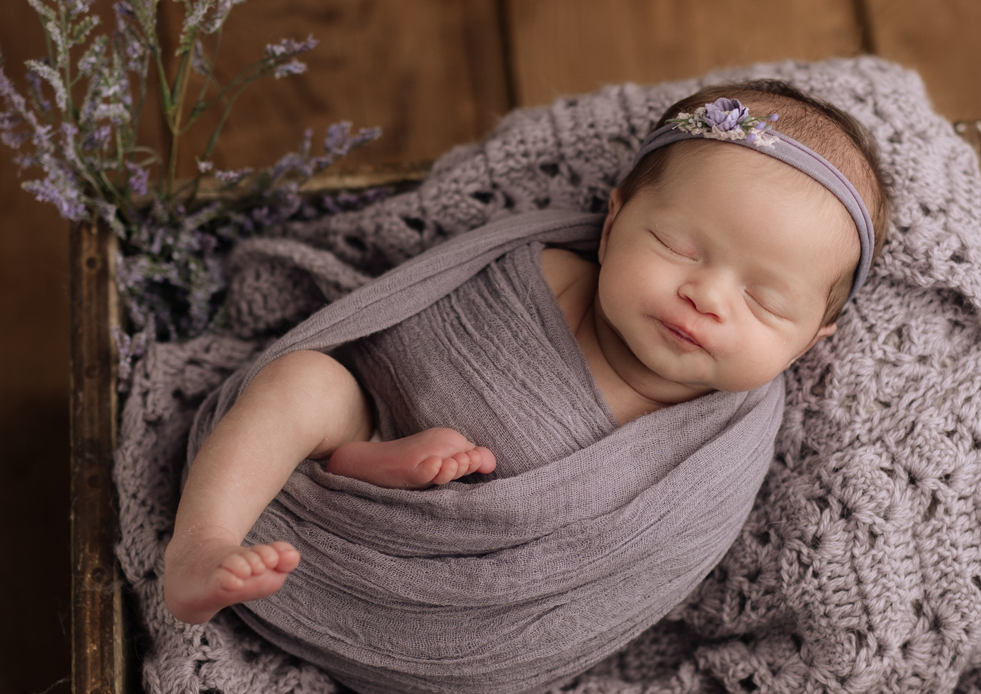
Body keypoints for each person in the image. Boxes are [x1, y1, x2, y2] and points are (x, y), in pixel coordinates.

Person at [162, 79, 889, 625]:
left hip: (456, 611)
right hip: (367, 414)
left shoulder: (716, 454)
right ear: (612, 225)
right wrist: (369, 421)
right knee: (301, 383)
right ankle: (204, 541)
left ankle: (372, 470)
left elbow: (624, 578)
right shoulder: (529, 268)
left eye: (765, 301)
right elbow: (391, 343)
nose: (708, 296)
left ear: (808, 343)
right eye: (677, 246)